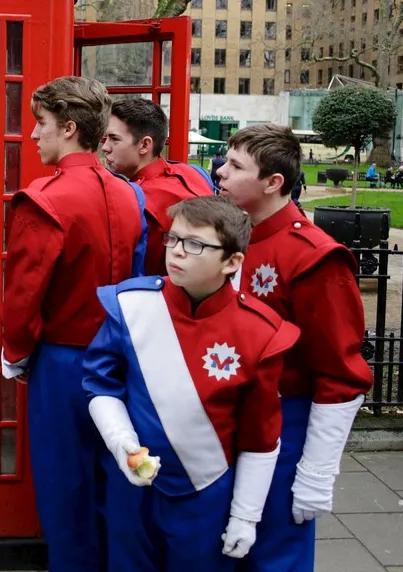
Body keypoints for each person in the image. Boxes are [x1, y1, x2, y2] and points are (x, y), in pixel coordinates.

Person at [84, 196, 299, 570]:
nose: (177, 252)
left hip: (208, 492)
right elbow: (100, 384)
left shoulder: (260, 332)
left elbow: (261, 436)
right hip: (131, 485)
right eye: (173, 239)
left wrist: (246, 516)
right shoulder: (132, 304)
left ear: (232, 262)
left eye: (195, 244)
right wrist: (122, 444)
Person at [0, 76, 145, 572]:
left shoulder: (44, 199)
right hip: (119, 360)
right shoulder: (128, 195)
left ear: (67, 127)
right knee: (116, 483)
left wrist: (14, 354)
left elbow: (23, 295)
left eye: (40, 124)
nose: (33, 135)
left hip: (61, 362)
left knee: (66, 490)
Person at [216, 124, 374, 572]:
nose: (220, 173)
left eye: (235, 166)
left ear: (273, 182)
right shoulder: (231, 234)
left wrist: (317, 472)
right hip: (228, 419)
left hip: (288, 427)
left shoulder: (315, 258)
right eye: (225, 161)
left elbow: (342, 374)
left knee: (275, 554)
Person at [101, 98, 214, 275]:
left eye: (114, 139)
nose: (105, 147)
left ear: (145, 145)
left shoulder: (136, 200)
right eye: (105, 138)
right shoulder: (194, 173)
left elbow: (140, 272)